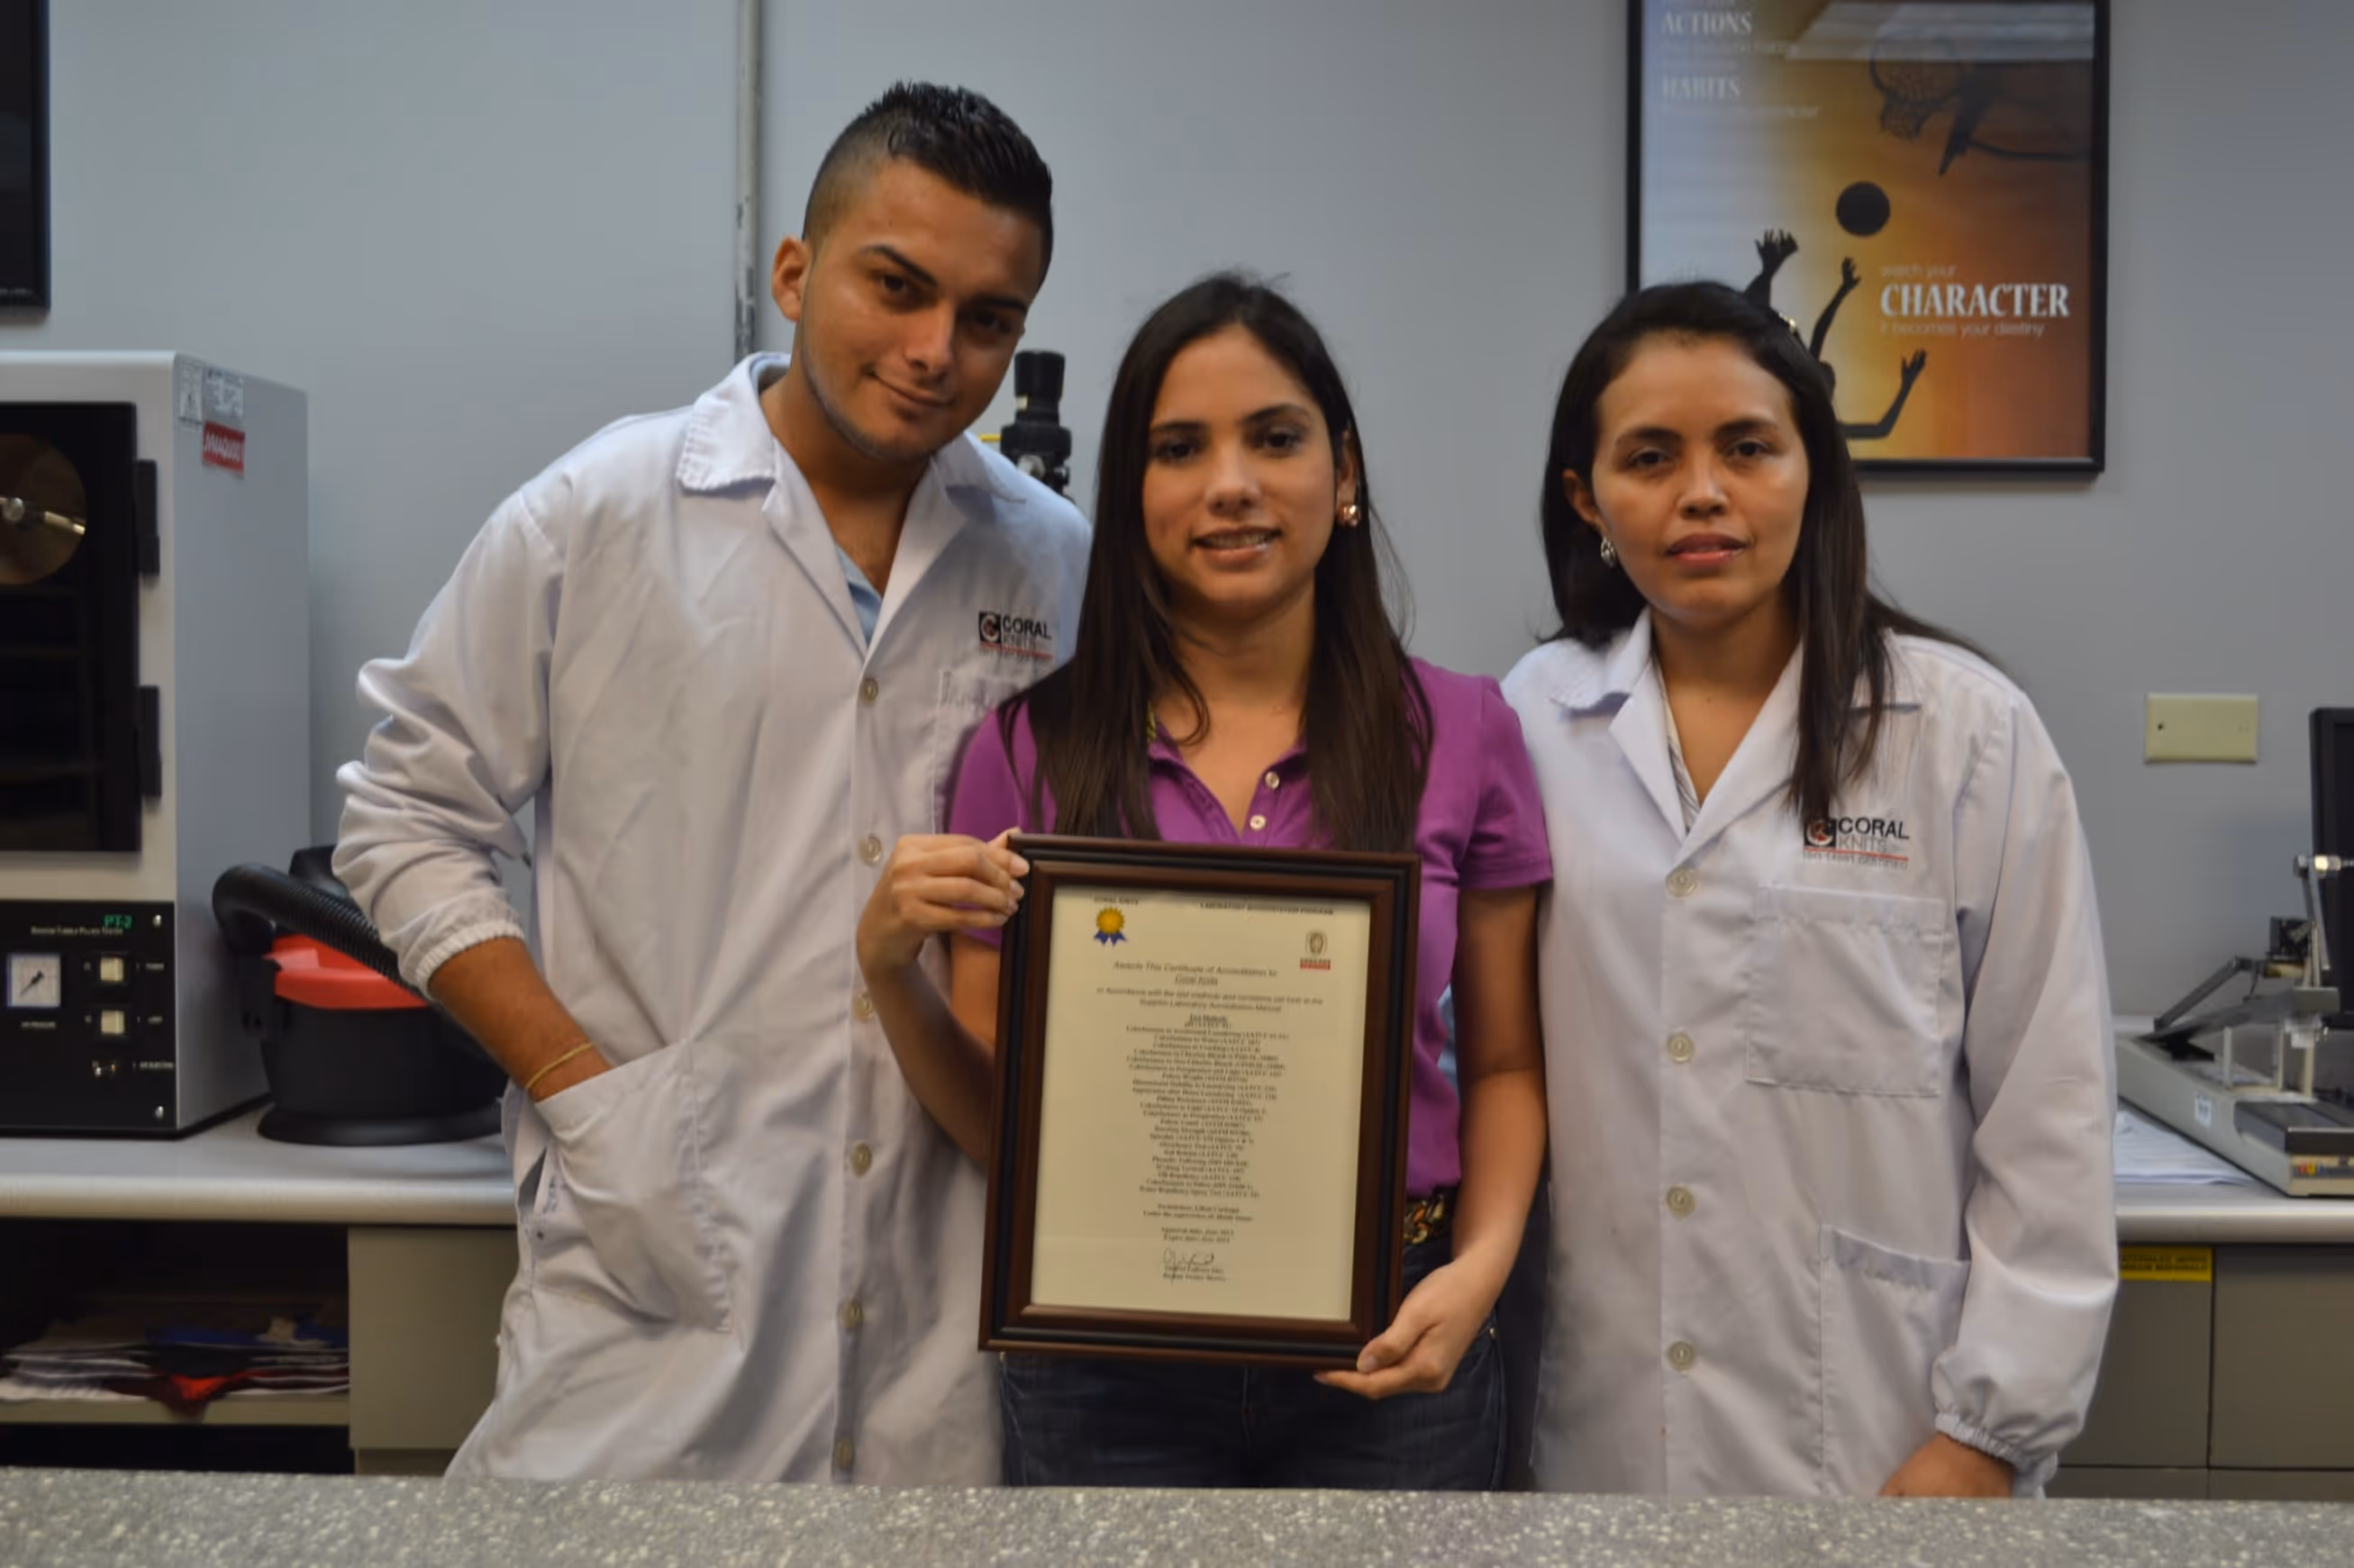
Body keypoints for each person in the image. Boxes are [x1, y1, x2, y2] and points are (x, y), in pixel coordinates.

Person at [332, 83, 1088, 1483]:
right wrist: (580, 1085)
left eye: (989, 319)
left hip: (951, 1300)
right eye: (897, 287)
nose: (937, 353)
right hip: (663, 1263)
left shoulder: (1050, 561)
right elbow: (402, 819)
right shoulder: (599, 516)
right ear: (796, 275)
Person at [853, 274, 1550, 1489]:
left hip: (1395, 1339)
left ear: (1344, 472)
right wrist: (886, 973)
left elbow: (1501, 1063)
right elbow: (998, 1125)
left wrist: (1477, 1274)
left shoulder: (1466, 731)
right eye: (1180, 449)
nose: (1230, 483)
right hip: (1104, 1358)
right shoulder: (1026, 753)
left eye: (1274, 439)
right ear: (1133, 498)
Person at [1503, 281, 2115, 1498]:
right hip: (1597, 1436)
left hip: (1895, 1445)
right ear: (1587, 498)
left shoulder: (1965, 738)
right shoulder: (1532, 720)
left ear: (1814, 471)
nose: (1703, 494)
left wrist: (1987, 1435)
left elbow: (2052, 1115)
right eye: (1648, 456)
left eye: (1747, 447)